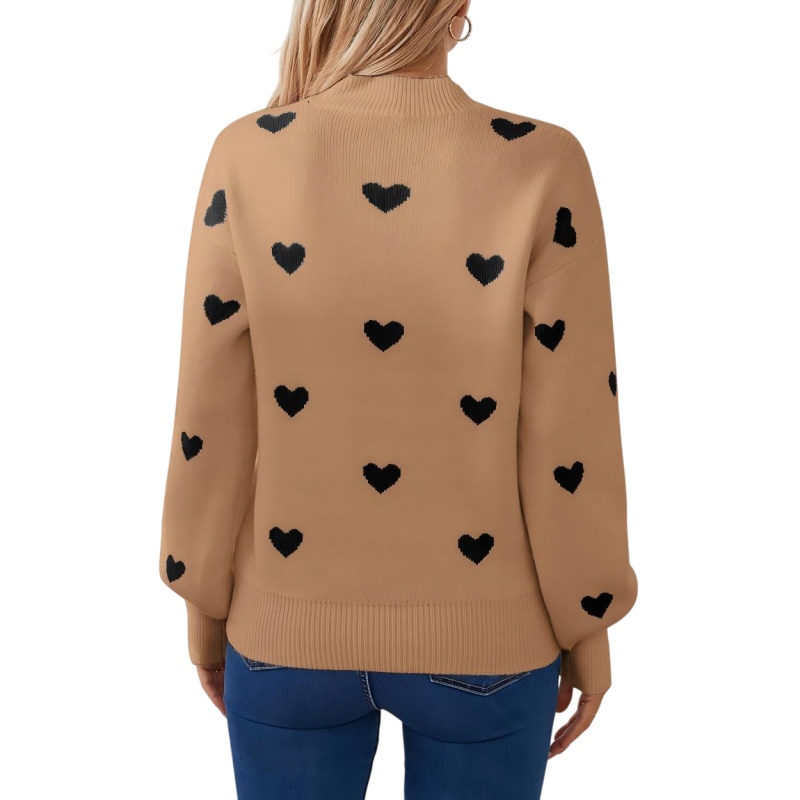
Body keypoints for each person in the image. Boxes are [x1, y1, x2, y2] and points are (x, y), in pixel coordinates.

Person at [159, 1, 638, 797]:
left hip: (284, 636)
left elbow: (209, 415)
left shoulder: (246, 153)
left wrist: (204, 608)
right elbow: (572, 430)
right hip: (490, 640)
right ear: (458, 11)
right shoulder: (542, 161)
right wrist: (587, 624)